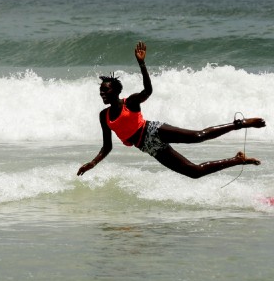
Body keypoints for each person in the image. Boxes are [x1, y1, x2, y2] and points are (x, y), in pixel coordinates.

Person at [77, 41, 264, 179]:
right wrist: (93, 163)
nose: (102, 93)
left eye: (106, 90)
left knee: (198, 136)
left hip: (152, 130)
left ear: (116, 91)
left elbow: (148, 91)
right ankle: (238, 160)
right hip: (148, 147)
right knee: (194, 172)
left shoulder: (131, 102)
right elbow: (107, 146)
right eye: (101, 90)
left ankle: (239, 124)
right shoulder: (104, 116)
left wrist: (142, 64)